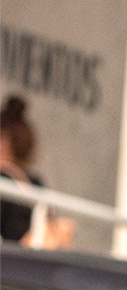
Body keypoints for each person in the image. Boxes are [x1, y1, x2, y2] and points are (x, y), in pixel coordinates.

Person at [0, 96, 74, 250]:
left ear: (6, 144)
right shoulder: (35, 180)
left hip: (10, 258)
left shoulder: (4, 179)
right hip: (32, 259)